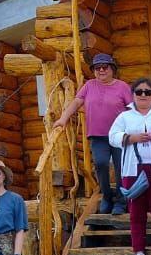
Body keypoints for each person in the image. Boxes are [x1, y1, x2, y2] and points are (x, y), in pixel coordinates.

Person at [52, 53, 132, 215]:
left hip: (120, 135)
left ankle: (121, 201)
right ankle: (107, 197)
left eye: (105, 67)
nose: (101, 70)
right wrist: (63, 119)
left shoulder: (122, 86)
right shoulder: (89, 85)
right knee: (101, 164)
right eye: (97, 68)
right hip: (97, 135)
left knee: (121, 168)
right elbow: (76, 102)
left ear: (112, 69)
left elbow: (132, 108)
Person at [108, 78, 151, 255]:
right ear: (133, 94)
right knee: (136, 213)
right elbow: (112, 136)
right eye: (139, 92)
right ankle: (139, 252)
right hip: (133, 169)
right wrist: (130, 138)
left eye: (147, 92)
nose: (143, 95)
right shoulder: (125, 117)